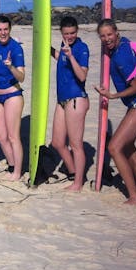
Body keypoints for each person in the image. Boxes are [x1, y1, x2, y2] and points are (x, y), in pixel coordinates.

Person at [94, 18, 136, 205]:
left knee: (114, 147)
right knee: (128, 144)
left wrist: (113, 96)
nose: (106, 39)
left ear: (116, 32)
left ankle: (134, 197)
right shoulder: (123, 44)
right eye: (102, 36)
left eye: (109, 34)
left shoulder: (121, 56)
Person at [50, 16, 90, 191]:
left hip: (76, 99)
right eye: (66, 34)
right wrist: (48, 48)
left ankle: (78, 183)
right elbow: (61, 59)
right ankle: (74, 172)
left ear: (77, 31)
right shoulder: (64, 46)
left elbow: (82, 76)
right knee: (57, 143)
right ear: (61, 33)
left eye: (72, 33)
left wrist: (71, 55)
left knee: (76, 145)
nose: (70, 36)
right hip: (62, 100)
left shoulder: (82, 48)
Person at [0, 14, 26, 181]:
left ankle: (17, 173)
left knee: (13, 136)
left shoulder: (16, 48)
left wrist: (11, 66)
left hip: (12, 95)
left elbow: (22, 77)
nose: (3, 33)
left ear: (10, 29)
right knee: (0, 136)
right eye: (0, 30)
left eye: (6, 29)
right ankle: (12, 166)